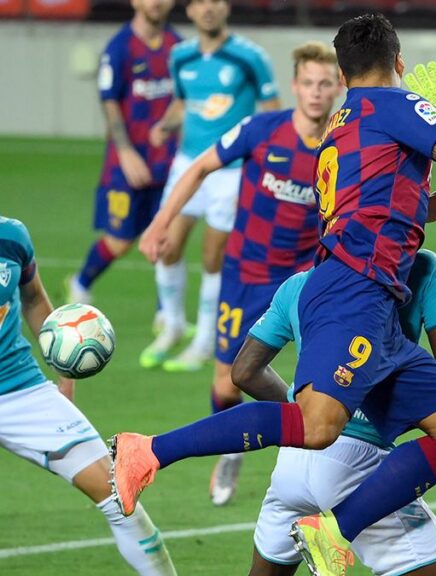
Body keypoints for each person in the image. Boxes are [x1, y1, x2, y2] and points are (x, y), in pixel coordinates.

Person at [110, 13, 436, 576]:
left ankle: (335, 531)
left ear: (341, 76)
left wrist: (422, 208)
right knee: (318, 427)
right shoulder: (392, 104)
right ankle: (147, 451)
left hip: (373, 301)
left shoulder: (338, 131)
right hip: (354, 293)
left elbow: (359, 214)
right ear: (398, 62)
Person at [138, 41, 340, 507]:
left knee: (326, 382)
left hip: (308, 280)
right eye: (307, 82)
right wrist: (161, 220)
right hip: (247, 274)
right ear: (294, 85)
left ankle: (313, 458)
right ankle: (232, 450)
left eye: (324, 83)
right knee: (227, 385)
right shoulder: (261, 129)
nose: (314, 92)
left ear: (338, 87)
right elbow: (201, 166)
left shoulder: (341, 144)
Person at [235, 249, 436, 576]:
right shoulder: (421, 267)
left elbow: (245, 371)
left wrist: (305, 417)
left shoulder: (300, 284)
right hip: (357, 468)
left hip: (292, 465)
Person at [0, 216, 176, 575]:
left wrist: (64, 375)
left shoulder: (11, 236)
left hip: (19, 387)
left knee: (119, 497)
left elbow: (33, 299)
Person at [141, 0, 280, 372]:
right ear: (189, 11)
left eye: (215, 2)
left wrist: (272, 160)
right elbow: (183, 104)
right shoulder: (180, 56)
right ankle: (171, 326)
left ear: (226, 8)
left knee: (212, 257)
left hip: (231, 171)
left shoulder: (250, 57)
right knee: (166, 245)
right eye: (200, 2)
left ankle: (203, 342)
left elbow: (273, 110)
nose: (208, 9)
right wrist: (164, 125)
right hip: (187, 164)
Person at [67, 0, 179, 305]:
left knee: (167, 236)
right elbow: (109, 101)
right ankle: (80, 282)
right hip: (125, 166)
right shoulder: (119, 47)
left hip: (167, 162)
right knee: (120, 240)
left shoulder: (177, 46)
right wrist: (126, 152)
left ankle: (166, 314)